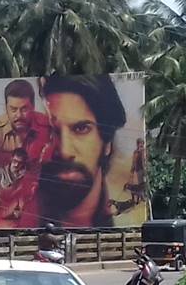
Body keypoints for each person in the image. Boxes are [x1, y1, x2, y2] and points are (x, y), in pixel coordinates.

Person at [37, 72, 128, 228]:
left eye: (81, 128)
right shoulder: (15, 220)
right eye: (51, 131)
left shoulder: (127, 223)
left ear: (107, 142)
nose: (65, 151)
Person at [0, 78, 52, 172]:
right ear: (6, 108)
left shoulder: (48, 126)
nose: (19, 115)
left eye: (24, 109)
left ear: (33, 106)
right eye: (13, 109)